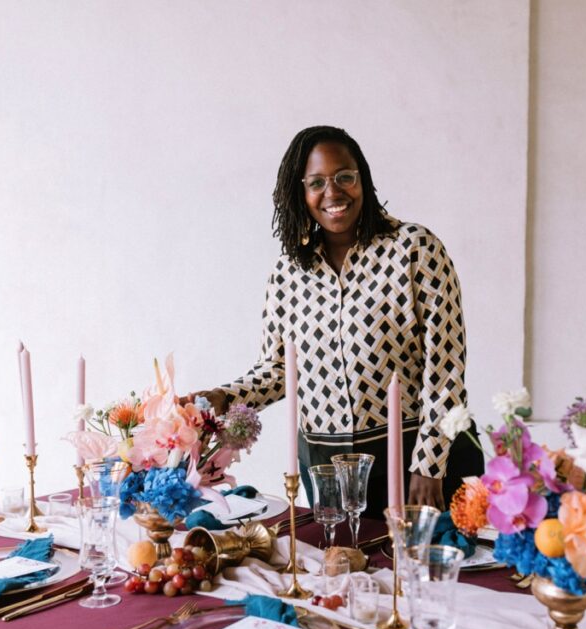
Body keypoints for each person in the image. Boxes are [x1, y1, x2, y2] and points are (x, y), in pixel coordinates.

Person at [194, 125, 482, 518]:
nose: (333, 193)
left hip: (417, 456)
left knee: (426, 575)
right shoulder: (288, 272)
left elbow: (446, 367)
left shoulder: (415, 249)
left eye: (345, 176)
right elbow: (279, 370)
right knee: (342, 575)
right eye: (316, 182)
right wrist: (225, 398)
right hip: (328, 467)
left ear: (362, 178)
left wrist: (430, 464)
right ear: (300, 192)